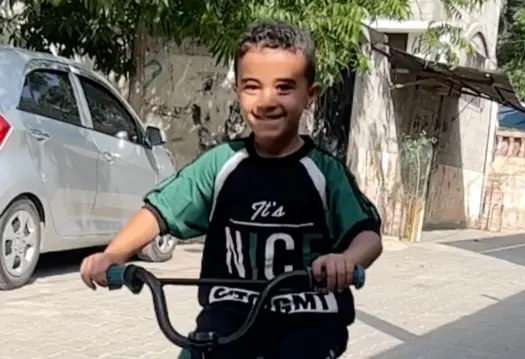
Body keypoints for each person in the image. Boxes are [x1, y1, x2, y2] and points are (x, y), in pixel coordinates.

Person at [79, 20, 383, 359]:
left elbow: (367, 236)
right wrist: (112, 255)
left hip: (309, 313)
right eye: (253, 86)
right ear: (237, 90)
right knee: (201, 351)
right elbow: (160, 211)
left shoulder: (325, 172)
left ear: (310, 95)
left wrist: (346, 260)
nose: (267, 101)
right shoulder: (220, 164)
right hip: (231, 313)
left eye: (284, 87)